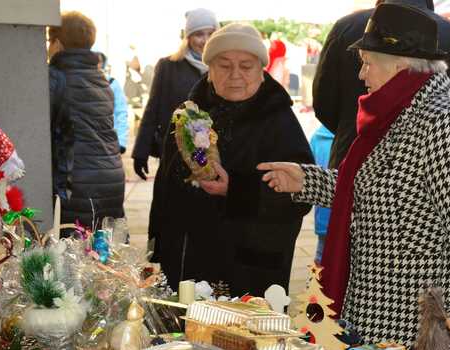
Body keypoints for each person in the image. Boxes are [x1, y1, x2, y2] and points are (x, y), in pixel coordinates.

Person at [259, 4, 450, 350]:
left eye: (368, 62)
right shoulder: (395, 111)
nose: (362, 73)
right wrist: (307, 180)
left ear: (400, 64)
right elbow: (371, 192)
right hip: (379, 310)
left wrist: (443, 327)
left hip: (416, 323)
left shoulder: (444, 121)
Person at [150, 23, 314, 296]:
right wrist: (157, 247)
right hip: (188, 260)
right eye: (224, 65)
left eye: (246, 66)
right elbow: (164, 187)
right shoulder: (188, 114)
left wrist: (236, 189)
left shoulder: (277, 119)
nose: (235, 74)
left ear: (261, 69)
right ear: (209, 69)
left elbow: (300, 197)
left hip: (249, 266)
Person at [313, 0, 450, 169]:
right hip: (420, 167)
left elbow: (323, 103)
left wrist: (359, 129)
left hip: (351, 155)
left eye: (368, 63)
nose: (362, 74)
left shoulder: (345, 26)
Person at [48, 11, 125, 228]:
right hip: (111, 176)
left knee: (73, 252)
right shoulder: (101, 79)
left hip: (77, 182)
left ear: (58, 43)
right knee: (102, 250)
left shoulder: (55, 78)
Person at [132, 8, 219, 181]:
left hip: (214, 157)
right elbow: (153, 109)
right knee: (175, 205)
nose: (206, 40)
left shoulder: (224, 66)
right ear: (188, 37)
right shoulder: (168, 66)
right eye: (199, 34)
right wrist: (140, 152)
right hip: (175, 155)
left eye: (211, 33)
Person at [308, 125, 334, 263]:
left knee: (320, 258)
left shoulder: (317, 137)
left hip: (323, 216)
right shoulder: (353, 139)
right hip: (344, 218)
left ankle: (314, 284)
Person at [96, 52, 129, 154]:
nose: (96, 64)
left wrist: (121, 142)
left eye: (99, 61)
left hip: (110, 141)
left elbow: (121, 112)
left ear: (103, 63)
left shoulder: (112, 83)